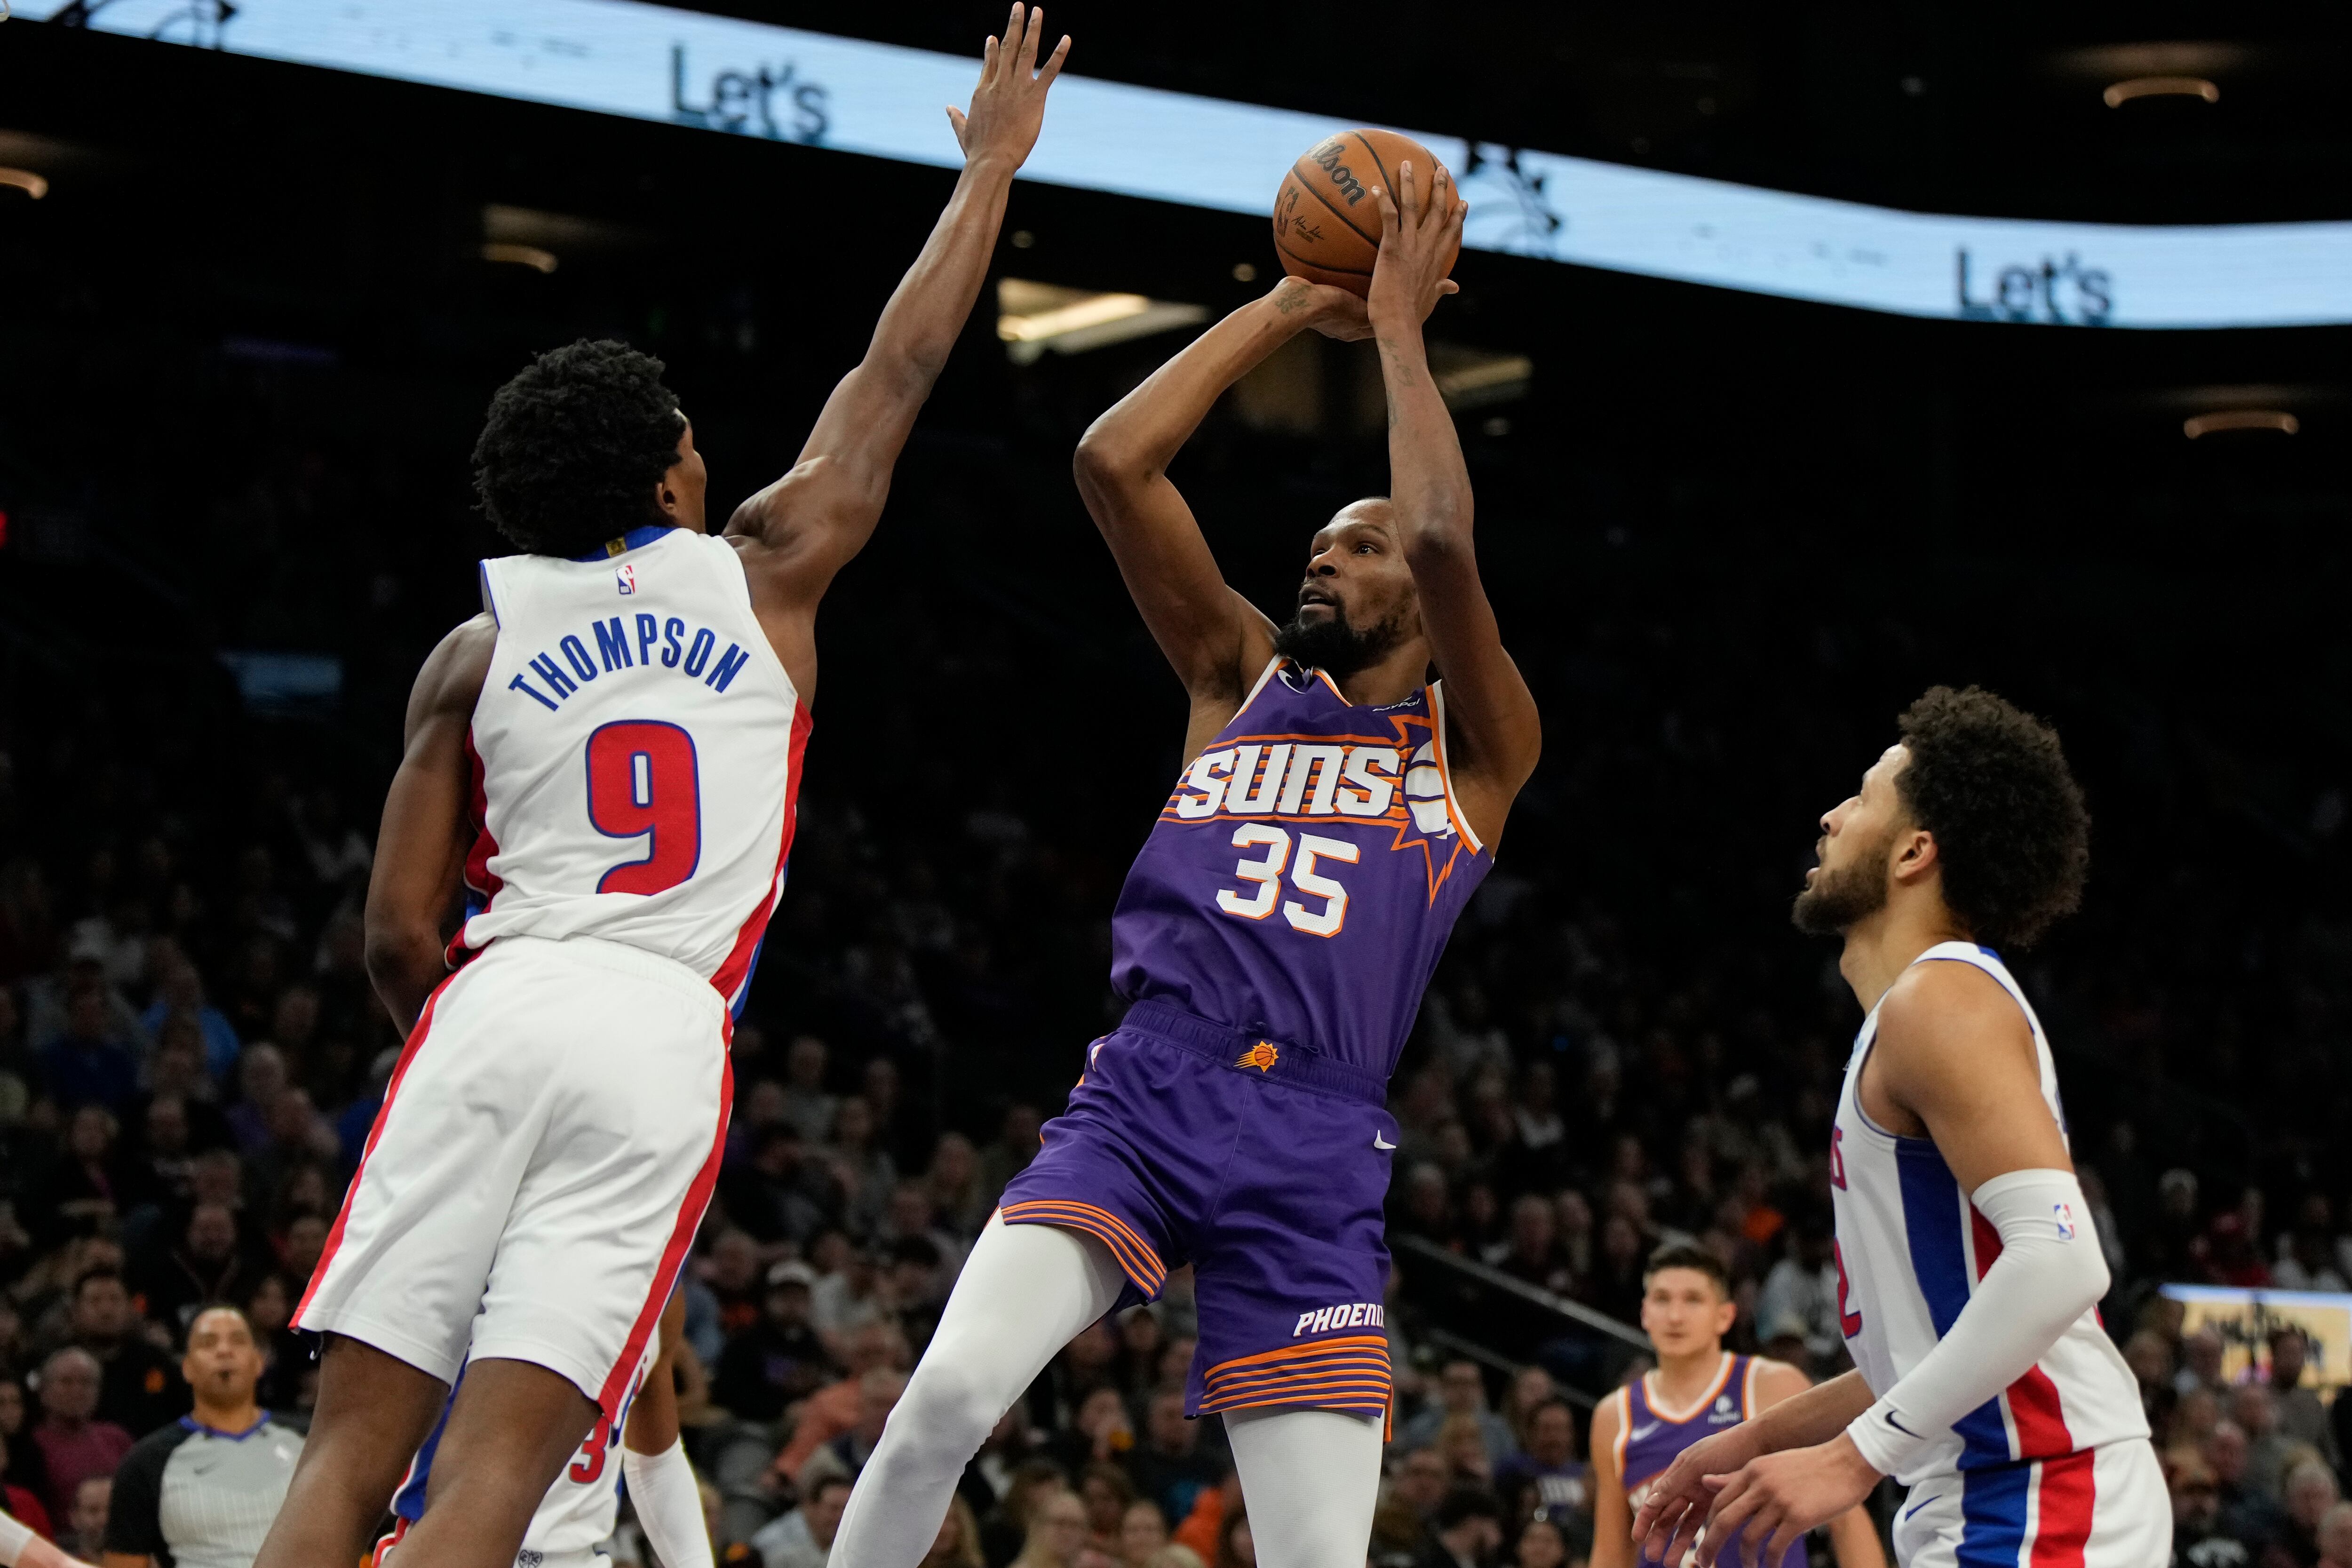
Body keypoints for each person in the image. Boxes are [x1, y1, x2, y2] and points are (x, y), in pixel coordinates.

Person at [248, 16, 1071, 1568]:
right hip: (656, 1034)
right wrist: (988, 171)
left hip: (494, 1002)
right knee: (497, 1481)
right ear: (668, 476)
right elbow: (898, 365)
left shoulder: (471, 649)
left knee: (348, 1456)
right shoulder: (771, 569)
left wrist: (469, 1042)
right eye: (692, 437)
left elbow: (394, 935)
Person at [834, 154, 1540, 1568]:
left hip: (1318, 1142)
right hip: (1150, 1090)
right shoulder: (1235, 675)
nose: (1320, 561)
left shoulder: (1476, 750)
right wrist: (1285, 304)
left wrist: (1396, 330)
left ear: (1416, 595)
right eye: (1316, 545)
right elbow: (1111, 461)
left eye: (1354, 547)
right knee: (942, 1406)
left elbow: (1443, 531)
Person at [1632, 689, 2165, 1567]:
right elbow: (1931, 1349)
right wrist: (1757, 1437)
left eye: (1863, 797)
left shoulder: (1939, 997)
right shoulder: (1920, 1012)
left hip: (2040, 1491)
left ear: (1916, 851)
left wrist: (1850, 1459)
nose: (1831, 817)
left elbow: (2063, 1259)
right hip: (2002, 1493)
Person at [1589, 1245, 1878, 1568]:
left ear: (1725, 1316)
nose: (1675, 1316)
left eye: (1693, 1300)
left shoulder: (1772, 1385)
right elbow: (1611, 1553)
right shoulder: (1615, 1416)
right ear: (1645, 1313)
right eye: (1662, 1299)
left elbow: (1846, 1517)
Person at [376, 1292, 708, 1568]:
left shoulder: (658, 1280)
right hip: (444, 1552)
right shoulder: (480, 1264)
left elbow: (656, 1463)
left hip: (577, 1557)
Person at [102, 1306, 302, 1568]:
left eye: (238, 1341)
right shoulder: (146, 1463)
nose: (224, 1351)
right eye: (209, 1343)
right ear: (186, 1368)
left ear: (259, 1361)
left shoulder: (309, 1442)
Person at [28, 1351, 128, 1524]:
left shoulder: (116, 1439)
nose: (77, 1391)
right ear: (44, 1390)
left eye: (86, 1383)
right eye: (66, 1382)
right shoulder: (32, 1447)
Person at [751, 1473, 851, 1568]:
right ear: (811, 1507)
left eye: (846, 1509)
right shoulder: (775, 1545)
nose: (841, 1516)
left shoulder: (847, 1540)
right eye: (834, 1508)